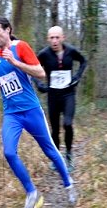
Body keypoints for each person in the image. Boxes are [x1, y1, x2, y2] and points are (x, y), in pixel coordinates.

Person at [0, 16, 78, 208]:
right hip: (11, 113)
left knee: (49, 150)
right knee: (9, 152)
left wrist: (15, 62)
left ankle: (68, 183)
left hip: (31, 110)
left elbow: (40, 73)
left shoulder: (20, 47)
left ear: (8, 30)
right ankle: (32, 192)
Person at [36, 26, 87, 171]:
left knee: (67, 124)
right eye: (52, 38)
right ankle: (56, 157)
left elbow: (83, 61)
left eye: (57, 37)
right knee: (55, 129)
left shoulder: (71, 51)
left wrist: (77, 77)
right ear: (48, 39)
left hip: (68, 94)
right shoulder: (44, 54)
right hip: (53, 95)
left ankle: (69, 155)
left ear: (63, 38)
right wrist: (39, 84)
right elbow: (33, 68)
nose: (54, 41)